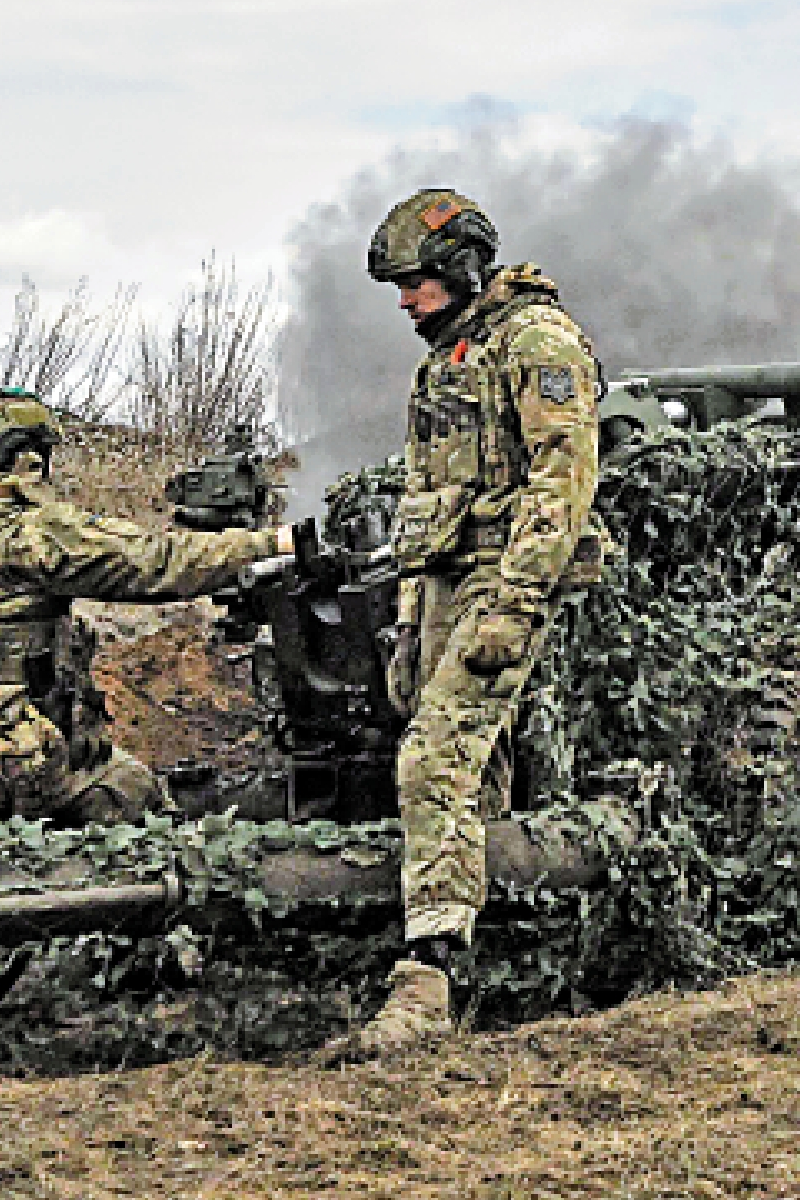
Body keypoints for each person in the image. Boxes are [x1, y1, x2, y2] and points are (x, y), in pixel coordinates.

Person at [332, 186, 602, 1059]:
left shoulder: (534, 342)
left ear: (458, 268)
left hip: (500, 584)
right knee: (473, 775)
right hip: (446, 585)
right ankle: (508, 955)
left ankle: (426, 982)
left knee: (436, 758)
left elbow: (561, 483)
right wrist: (413, 621)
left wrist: (515, 604)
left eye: (414, 283)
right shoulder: (449, 357)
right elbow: (432, 502)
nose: (404, 301)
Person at [0, 388, 296, 824]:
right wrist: (272, 543)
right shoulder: (23, 531)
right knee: (140, 798)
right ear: (25, 458)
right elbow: (156, 562)